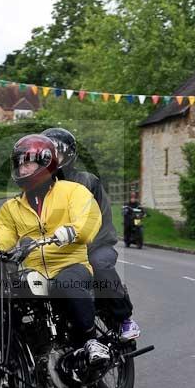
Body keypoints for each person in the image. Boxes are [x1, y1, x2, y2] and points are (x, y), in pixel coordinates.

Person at [0, 134, 110, 365]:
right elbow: (0, 236)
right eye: (19, 163)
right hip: (34, 271)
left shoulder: (73, 191)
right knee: (3, 295)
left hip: (70, 263)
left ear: (45, 162)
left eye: (27, 162)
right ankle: (23, 356)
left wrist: (71, 231)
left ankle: (91, 340)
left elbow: (88, 218)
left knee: (67, 283)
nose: (22, 169)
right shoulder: (13, 208)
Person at [41, 127, 141, 341]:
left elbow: (100, 219)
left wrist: (85, 243)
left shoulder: (87, 181)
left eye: (56, 152)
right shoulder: (39, 186)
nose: (52, 158)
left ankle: (125, 319)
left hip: (94, 245)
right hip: (57, 251)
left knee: (99, 265)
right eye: (47, 153)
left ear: (68, 154)